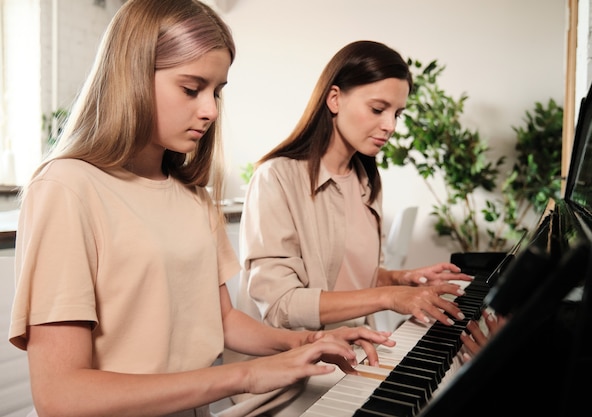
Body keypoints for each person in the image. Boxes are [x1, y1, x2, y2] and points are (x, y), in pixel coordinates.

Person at [7, 3, 396, 417]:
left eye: (217, 91)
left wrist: (299, 343)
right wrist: (247, 375)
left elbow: (222, 320)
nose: (210, 110)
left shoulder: (192, 195)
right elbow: (61, 395)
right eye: (192, 89)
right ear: (132, 76)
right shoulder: (66, 187)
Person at [222, 40, 480, 415]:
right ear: (335, 99)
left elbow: (346, 273)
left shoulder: (365, 179)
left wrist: (401, 279)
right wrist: (390, 298)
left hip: (353, 349)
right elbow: (281, 304)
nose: (390, 126)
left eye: (397, 114)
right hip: (298, 369)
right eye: (378, 109)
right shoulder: (276, 177)